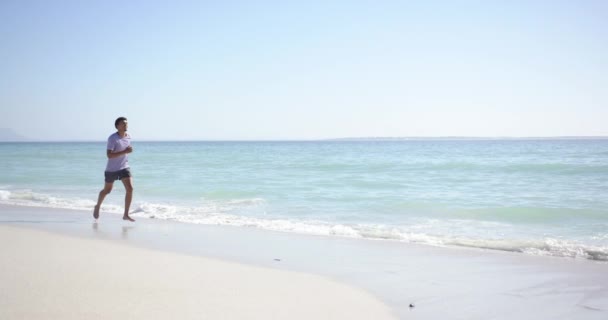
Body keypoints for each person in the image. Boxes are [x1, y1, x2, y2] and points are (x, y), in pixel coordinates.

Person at [93, 117, 135, 222]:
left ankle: (126, 214)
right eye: (123, 124)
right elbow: (109, 155)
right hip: (111, 169)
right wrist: (125, 151)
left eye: (126, 123)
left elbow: (126, 150)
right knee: (107, 191)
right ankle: (97, 205)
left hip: (124, 167)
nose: (126, 125)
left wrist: (128, 151)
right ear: (117, 126)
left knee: (130, 189)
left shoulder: (129, 137)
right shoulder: (112, 138)